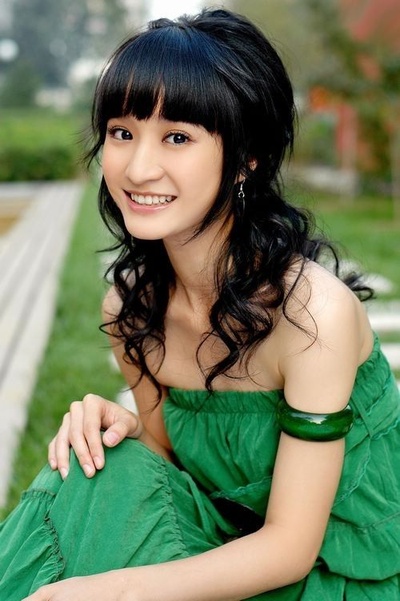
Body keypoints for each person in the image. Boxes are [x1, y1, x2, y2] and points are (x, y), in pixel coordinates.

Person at [0, 8, 399, 601]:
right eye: (122, 132)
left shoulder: (314, 317)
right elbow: (169, 469)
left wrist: (110, 591)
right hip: (222, 546)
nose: (139, 168)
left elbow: (290, 550)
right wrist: (125, 428)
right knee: (94, 470)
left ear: (247, 156)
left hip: (330, 578)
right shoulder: (131, 311)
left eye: (178, 137)